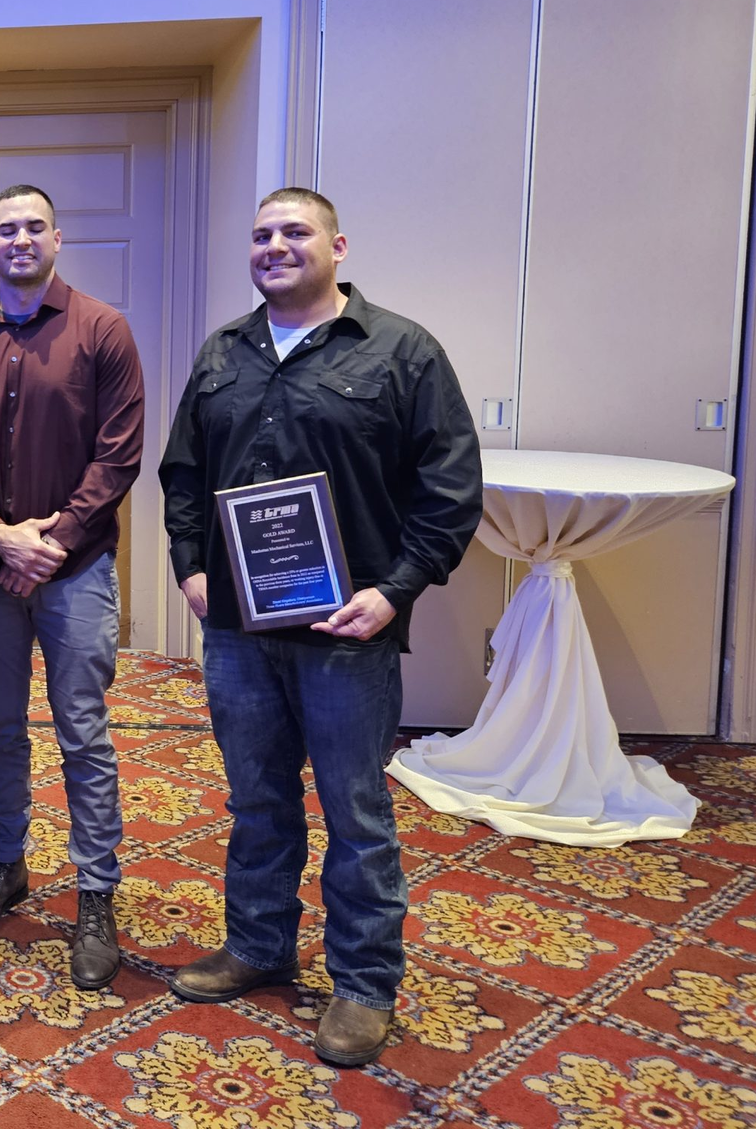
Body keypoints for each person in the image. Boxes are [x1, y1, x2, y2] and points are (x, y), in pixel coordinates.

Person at [159, 188, 482, 1067]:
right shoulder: (225, 351)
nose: (274, 246)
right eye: (261, 235)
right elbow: (183, 472)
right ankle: (259, 946)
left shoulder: (402, 351)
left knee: (355, 809)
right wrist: (191, 564)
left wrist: (395, 592)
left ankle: (365, 982)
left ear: (338, 244)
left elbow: (449, 494)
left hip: (350, 630)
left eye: (293, 232)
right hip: (238, 629)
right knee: (257, 798)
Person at [0, 183, 145, 991]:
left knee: (82, 729)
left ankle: (96, 893)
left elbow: (119, 454)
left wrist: (50, 540)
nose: (19, 240)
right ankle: (7, 865)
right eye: (4, 230)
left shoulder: (103, 329)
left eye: (33, 227)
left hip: (74, 568)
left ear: (58, 236)